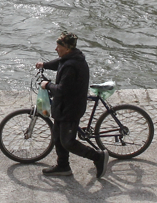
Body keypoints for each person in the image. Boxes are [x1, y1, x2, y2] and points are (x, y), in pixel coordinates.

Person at [35, 32, 110, 179]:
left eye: (58, 46)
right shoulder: (69, 58)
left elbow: (62, 90)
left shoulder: (71, 66)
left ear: (67, 48)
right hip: (62, 107)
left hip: (71, 109)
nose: (55, 49)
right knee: (57, 137)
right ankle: (63, 166)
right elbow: (59, 63)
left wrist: (47, 85)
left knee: (68, 142)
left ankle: (98, 157)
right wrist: (44, 65)